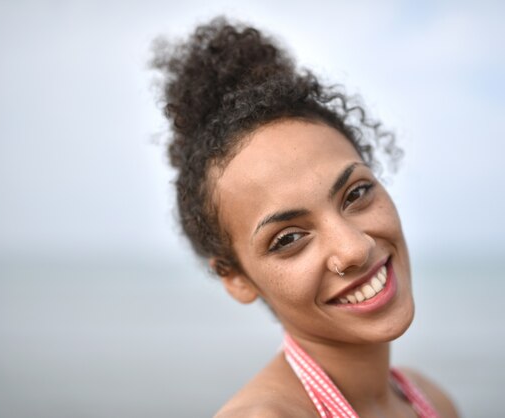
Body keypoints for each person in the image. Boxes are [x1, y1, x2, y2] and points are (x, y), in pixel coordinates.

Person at [152, 17, 459, 418]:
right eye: (288, 238)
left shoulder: (429, 400)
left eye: (357, 193)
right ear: (235, 277)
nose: (353, 248)